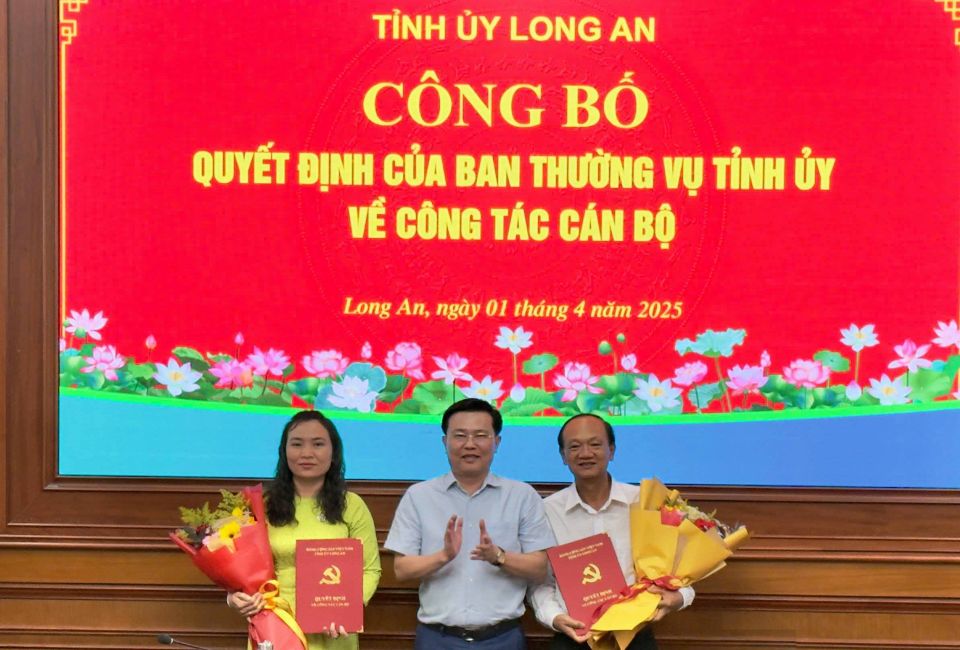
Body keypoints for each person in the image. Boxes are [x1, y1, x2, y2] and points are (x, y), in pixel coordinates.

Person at [385, 398, 556, 649]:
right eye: (460, 435)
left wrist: (498, 556)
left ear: (496, 442)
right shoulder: (419, 496)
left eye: (480, 435)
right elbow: (401, 570)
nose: (470, 445)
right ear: (445, 442)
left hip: (502, 638)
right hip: (437, 639)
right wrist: (443, 556)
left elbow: (540, 568)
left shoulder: (522, 496)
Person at [529, 414, 694, 650]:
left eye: (595, 444)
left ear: (612, 450)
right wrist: (554, 617)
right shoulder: (546, 511)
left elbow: (683, 568)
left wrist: (680, 598)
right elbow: (540, 581)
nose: (585, 453)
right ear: (563, 456)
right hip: (574, 638)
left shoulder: (644, 503)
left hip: (635, 636)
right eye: (574, 446)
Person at [228, 410, 382, 650]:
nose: (306, 453)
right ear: (284, 452)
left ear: (333, 453)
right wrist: (234, 598)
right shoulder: (262, 506)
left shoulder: (352, 505)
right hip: (276, 624)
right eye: (297, 444)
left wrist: (348, 608)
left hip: (333, 630)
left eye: (318, 444)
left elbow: (370, 569)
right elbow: (240, 569)